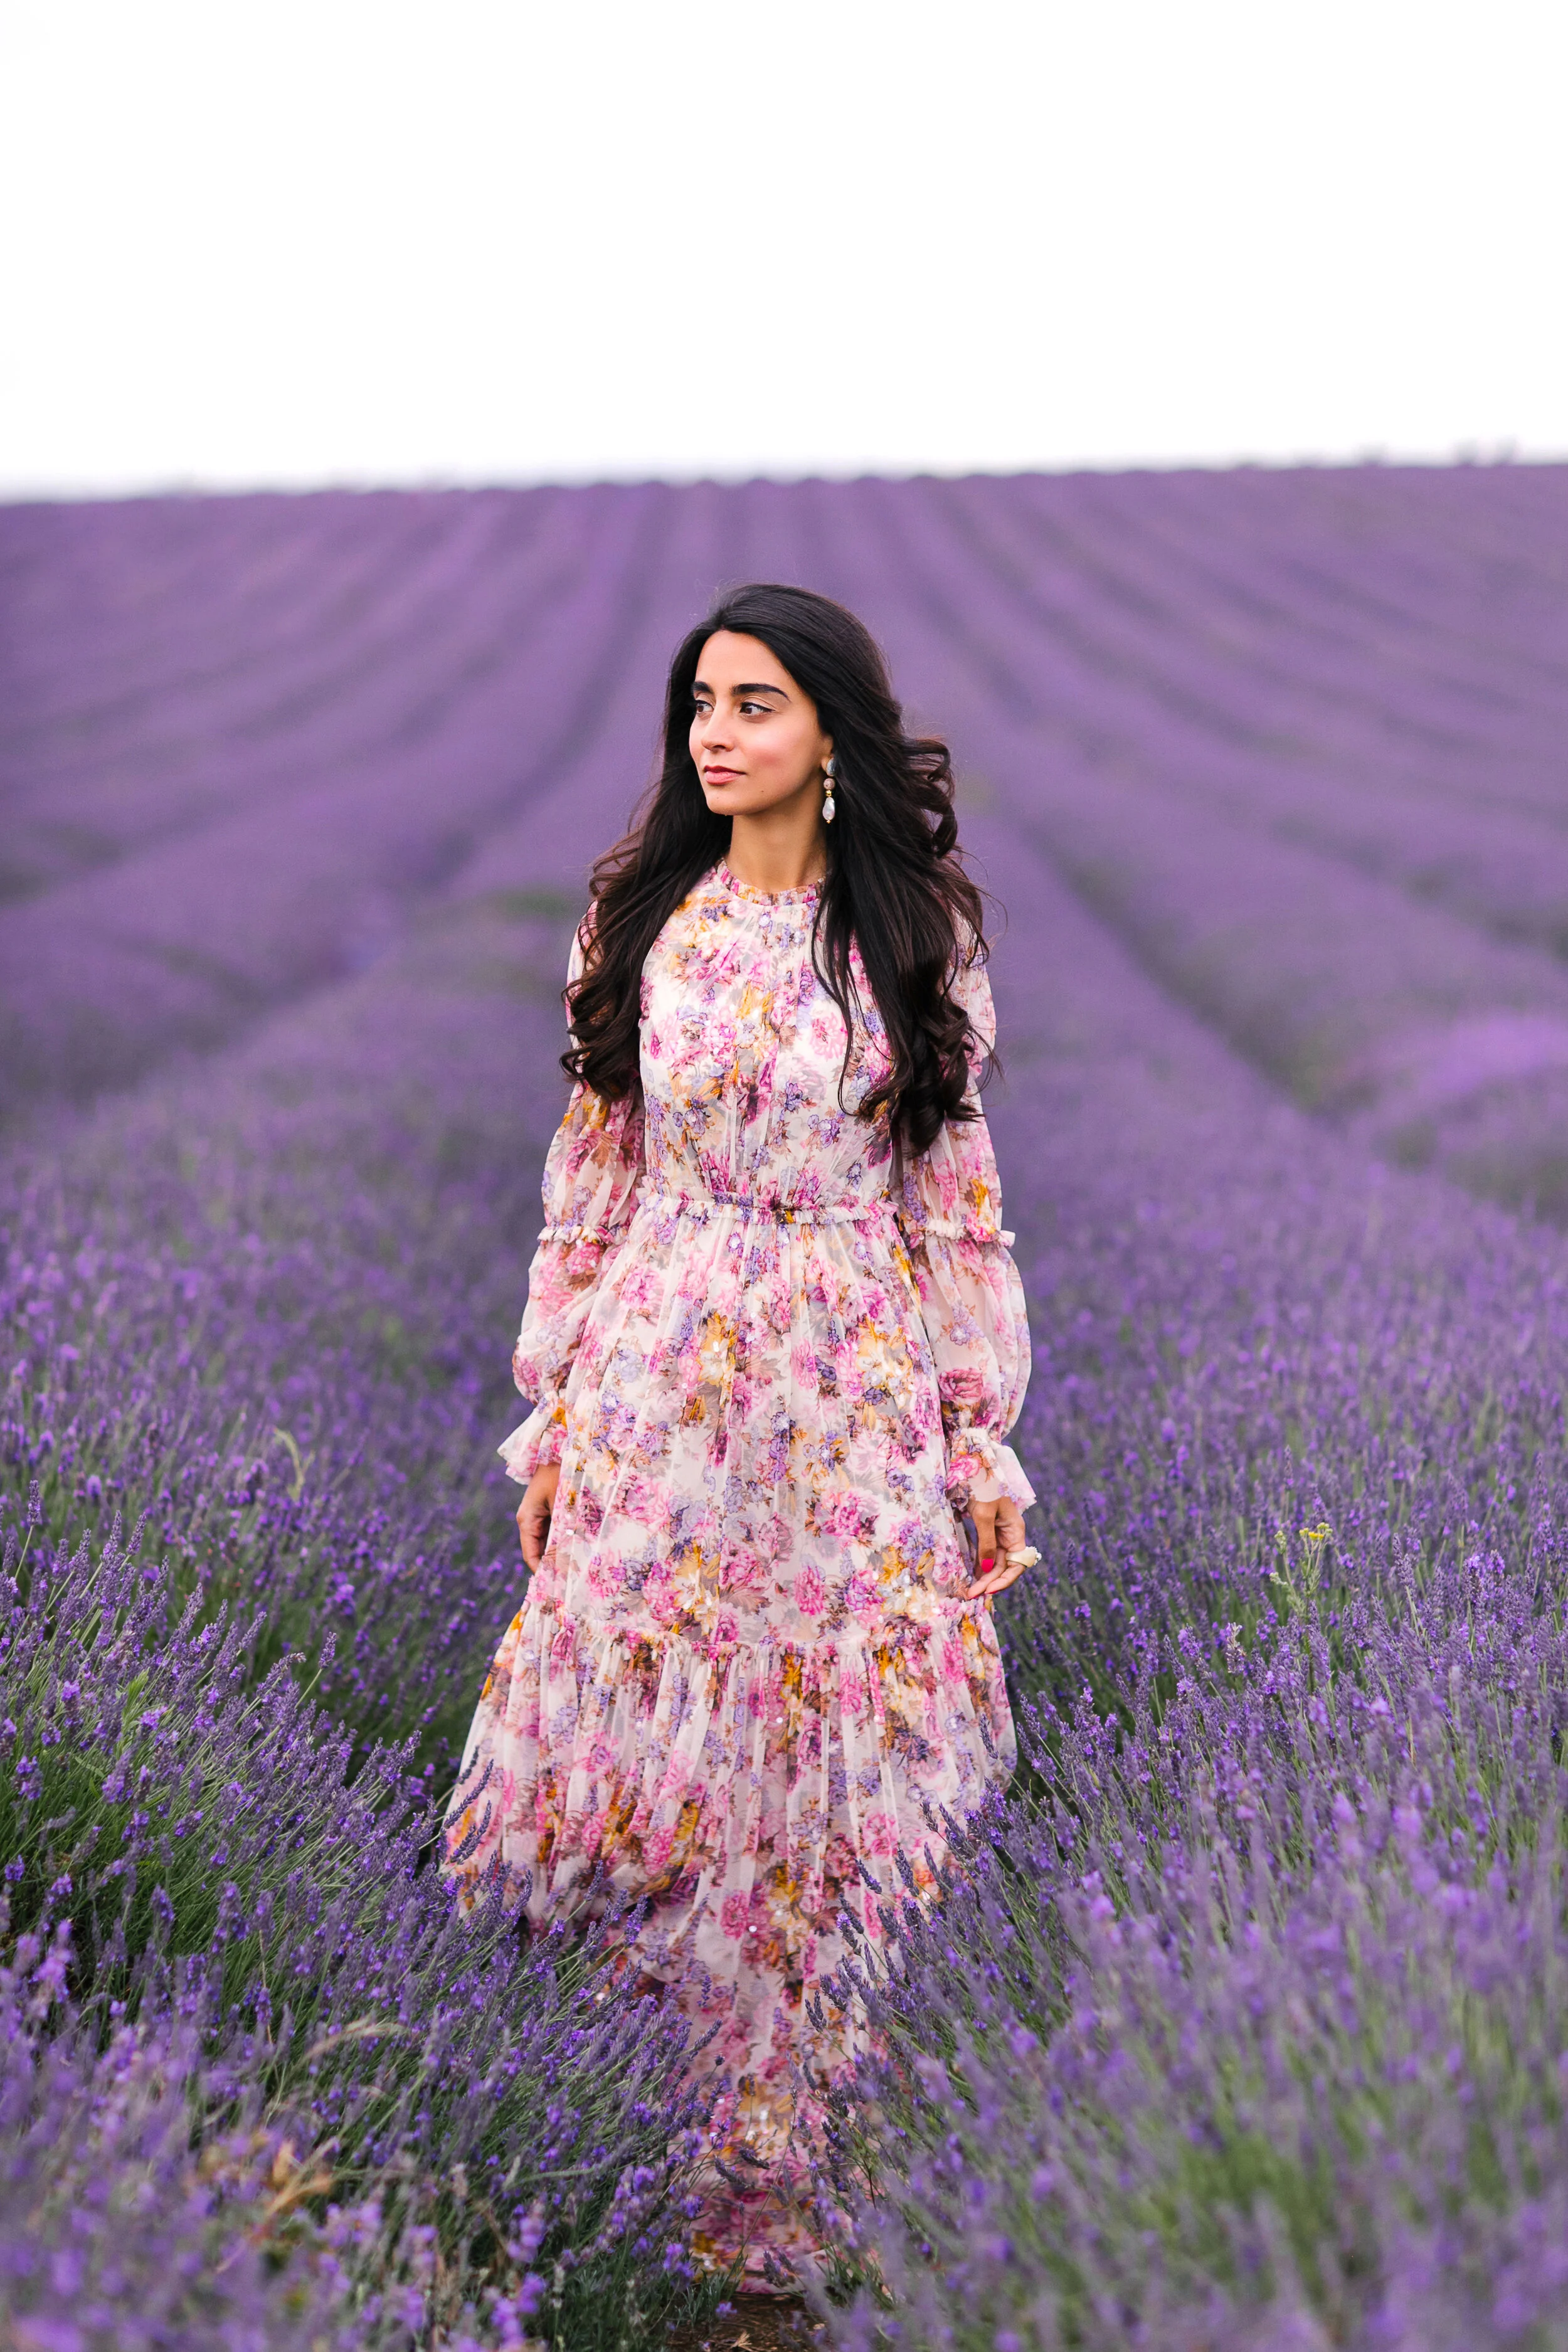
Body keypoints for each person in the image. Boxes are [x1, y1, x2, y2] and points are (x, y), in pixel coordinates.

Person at [441, 583, 1036, 2286]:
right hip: (658, 1391)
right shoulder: (646, 927)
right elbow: (591, 1188)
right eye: (700, 700)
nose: (715, 730)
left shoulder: (908, 949)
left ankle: (817, 2167)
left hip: (843, 1389)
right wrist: (549, 1408)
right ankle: (620, 2152)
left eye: (755, 702)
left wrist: (972, 1437)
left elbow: (954, 1212)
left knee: (841, 1765)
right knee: (644, 1752)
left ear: (831, 739)